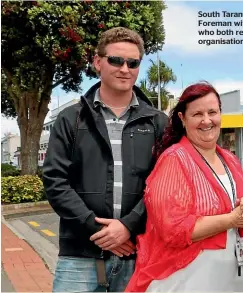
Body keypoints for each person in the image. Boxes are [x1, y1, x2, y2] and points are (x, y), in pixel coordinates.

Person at [42, 27, 168, 292]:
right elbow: (55, 181)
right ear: (98, 62)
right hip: (79, 256)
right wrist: (98, 230)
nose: (125, 68)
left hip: (138, 253)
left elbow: (166, 186)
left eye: (133, 63)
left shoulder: (158, 123)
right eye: (116, 60)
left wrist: (128, 227)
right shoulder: (71, 119)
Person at [124, 82, 243, 292]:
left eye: (212, 112)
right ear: (182, 118)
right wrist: (232, 219)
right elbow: (173, 230)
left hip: (231, 278)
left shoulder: (231, 160)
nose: (207, 120)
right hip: (186, 279)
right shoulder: (174, 159)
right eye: (197, 114)